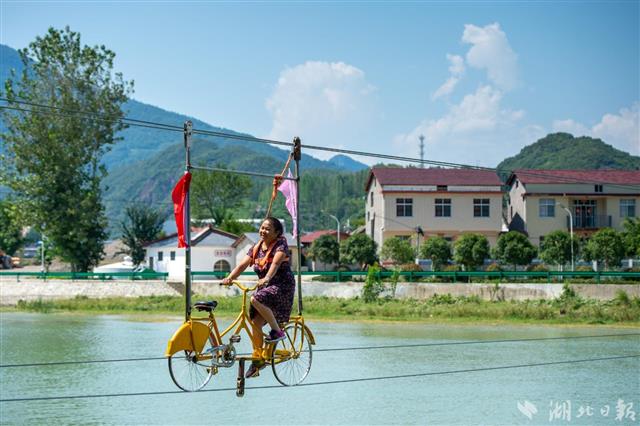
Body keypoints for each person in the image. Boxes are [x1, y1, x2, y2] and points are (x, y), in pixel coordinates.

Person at [222, 217, 295, 378]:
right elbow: (241, 265)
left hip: (282, 286)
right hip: (266, 286)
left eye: (268, 229)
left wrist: (267, 278)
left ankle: (277, 332)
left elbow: (275, 265)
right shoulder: (256, 248)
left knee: (255, 299)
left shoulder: (281, 245)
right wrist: (230, 278)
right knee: (255, 322)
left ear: (277, 233)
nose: (263, 231)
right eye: (262, 228)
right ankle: (257, 360)